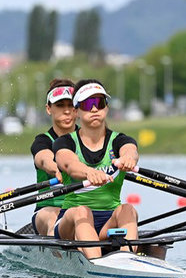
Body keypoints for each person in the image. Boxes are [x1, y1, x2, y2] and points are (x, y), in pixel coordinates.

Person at [52, 79, 139, 259]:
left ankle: (128, 260)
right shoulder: (65, 142)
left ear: (106, 108)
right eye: (87, 104)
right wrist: (89, 172)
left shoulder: (119, 140)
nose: (94, 109)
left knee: (128, 209)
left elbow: (130, 151)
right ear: (76, 111)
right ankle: (96, 263)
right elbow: (69, 164)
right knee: (82, 211)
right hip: (71, 223)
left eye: (99, 103)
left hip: (108, 223)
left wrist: (128, 159)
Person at [29, 78, 77, 236]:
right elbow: (44, 159)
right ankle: (59, 257)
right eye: (60, 105)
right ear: (49, 109)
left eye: (71, 105)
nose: (67, 111)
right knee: (55, 218)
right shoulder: (43, 141)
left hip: (84, 209)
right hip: (48, 208)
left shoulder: (89, 141)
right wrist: (58, 168)